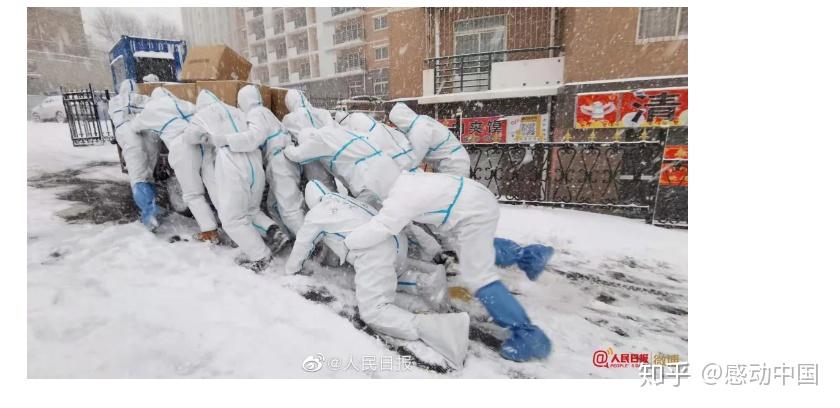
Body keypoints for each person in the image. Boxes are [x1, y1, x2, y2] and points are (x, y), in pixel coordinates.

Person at [343, 172, 552, 362]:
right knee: (472, 247)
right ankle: (528, 256)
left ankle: (528, 335)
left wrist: (347, 242)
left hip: (472, 212)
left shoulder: (399, 202)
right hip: (473, 198)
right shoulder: (404, 178)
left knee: (479, 276)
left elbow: (380, 228)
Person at [286, 180, 469, 368]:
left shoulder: (317, 214)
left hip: (374, 249)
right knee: (390, 275)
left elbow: (302, 244)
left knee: (374, 311)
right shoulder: (345, 200)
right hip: (395, 241)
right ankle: (423, 282)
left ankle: (446, 331)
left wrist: (291, 270)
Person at [182, 90, 287, 272]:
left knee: (231, 219)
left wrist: (206, 137)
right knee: (252, 210)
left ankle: (261, 256)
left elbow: (189, 137)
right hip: (255, 162)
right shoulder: (239, 112)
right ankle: (274, 231)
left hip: (232, 164)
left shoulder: (202, 115)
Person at [130, 87, 220, 243]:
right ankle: (234, 222)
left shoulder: (151, 109)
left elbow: (135, 126)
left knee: (193, 193)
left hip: (183, 146)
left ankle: (209, 232)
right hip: (202, 141)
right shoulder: (182, 103)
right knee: (214, 186)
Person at [214, 85, 303, 237]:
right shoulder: (266, 112)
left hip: (279, 161)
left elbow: (254, 138)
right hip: (284, 159)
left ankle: (311, 246)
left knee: (290, 209)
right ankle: (288, 238)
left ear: (243, 101)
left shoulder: (255, 114)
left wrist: (225, 140)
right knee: (273, 205)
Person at [283, 116, 401, 209]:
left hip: (369, 179)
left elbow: (296, 155)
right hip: (389, 168)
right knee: (396, 212)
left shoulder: (319, 139)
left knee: (358, 217)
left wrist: (285, 145)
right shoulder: (340, 132)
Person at [108, 79, 160, 230]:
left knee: (138, 177)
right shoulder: (146, 99)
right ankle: (152, 205)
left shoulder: (115, 101)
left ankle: (149, 216)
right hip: (150, 135)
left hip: (130, 136)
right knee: (148, 172)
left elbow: (115, 117)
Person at [388, 102, 470, 176]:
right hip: (454, 161)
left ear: (400, 120)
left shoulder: (419, 129)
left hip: (454, 165)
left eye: (396, 123)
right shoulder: (421, 121)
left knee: (449, 191)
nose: (397, 127)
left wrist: (397, 169)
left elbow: (414, 158)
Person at [281, 89, 337, 191]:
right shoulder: (321, 113)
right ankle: (337, 202)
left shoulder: (289, 119)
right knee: (330, 183)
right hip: (328, 154)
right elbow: (332, 130)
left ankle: (327, 204)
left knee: (319, 187)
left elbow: (286, 139)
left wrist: (288, 148)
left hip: (308, 156)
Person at [336, 112, 418, 172]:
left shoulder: (347, 126)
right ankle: (410, 169)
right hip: (381, 131)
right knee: (395, 150)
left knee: (389, 157)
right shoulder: (358, 115)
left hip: (374, 139)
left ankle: (404, 171)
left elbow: (356, 139)